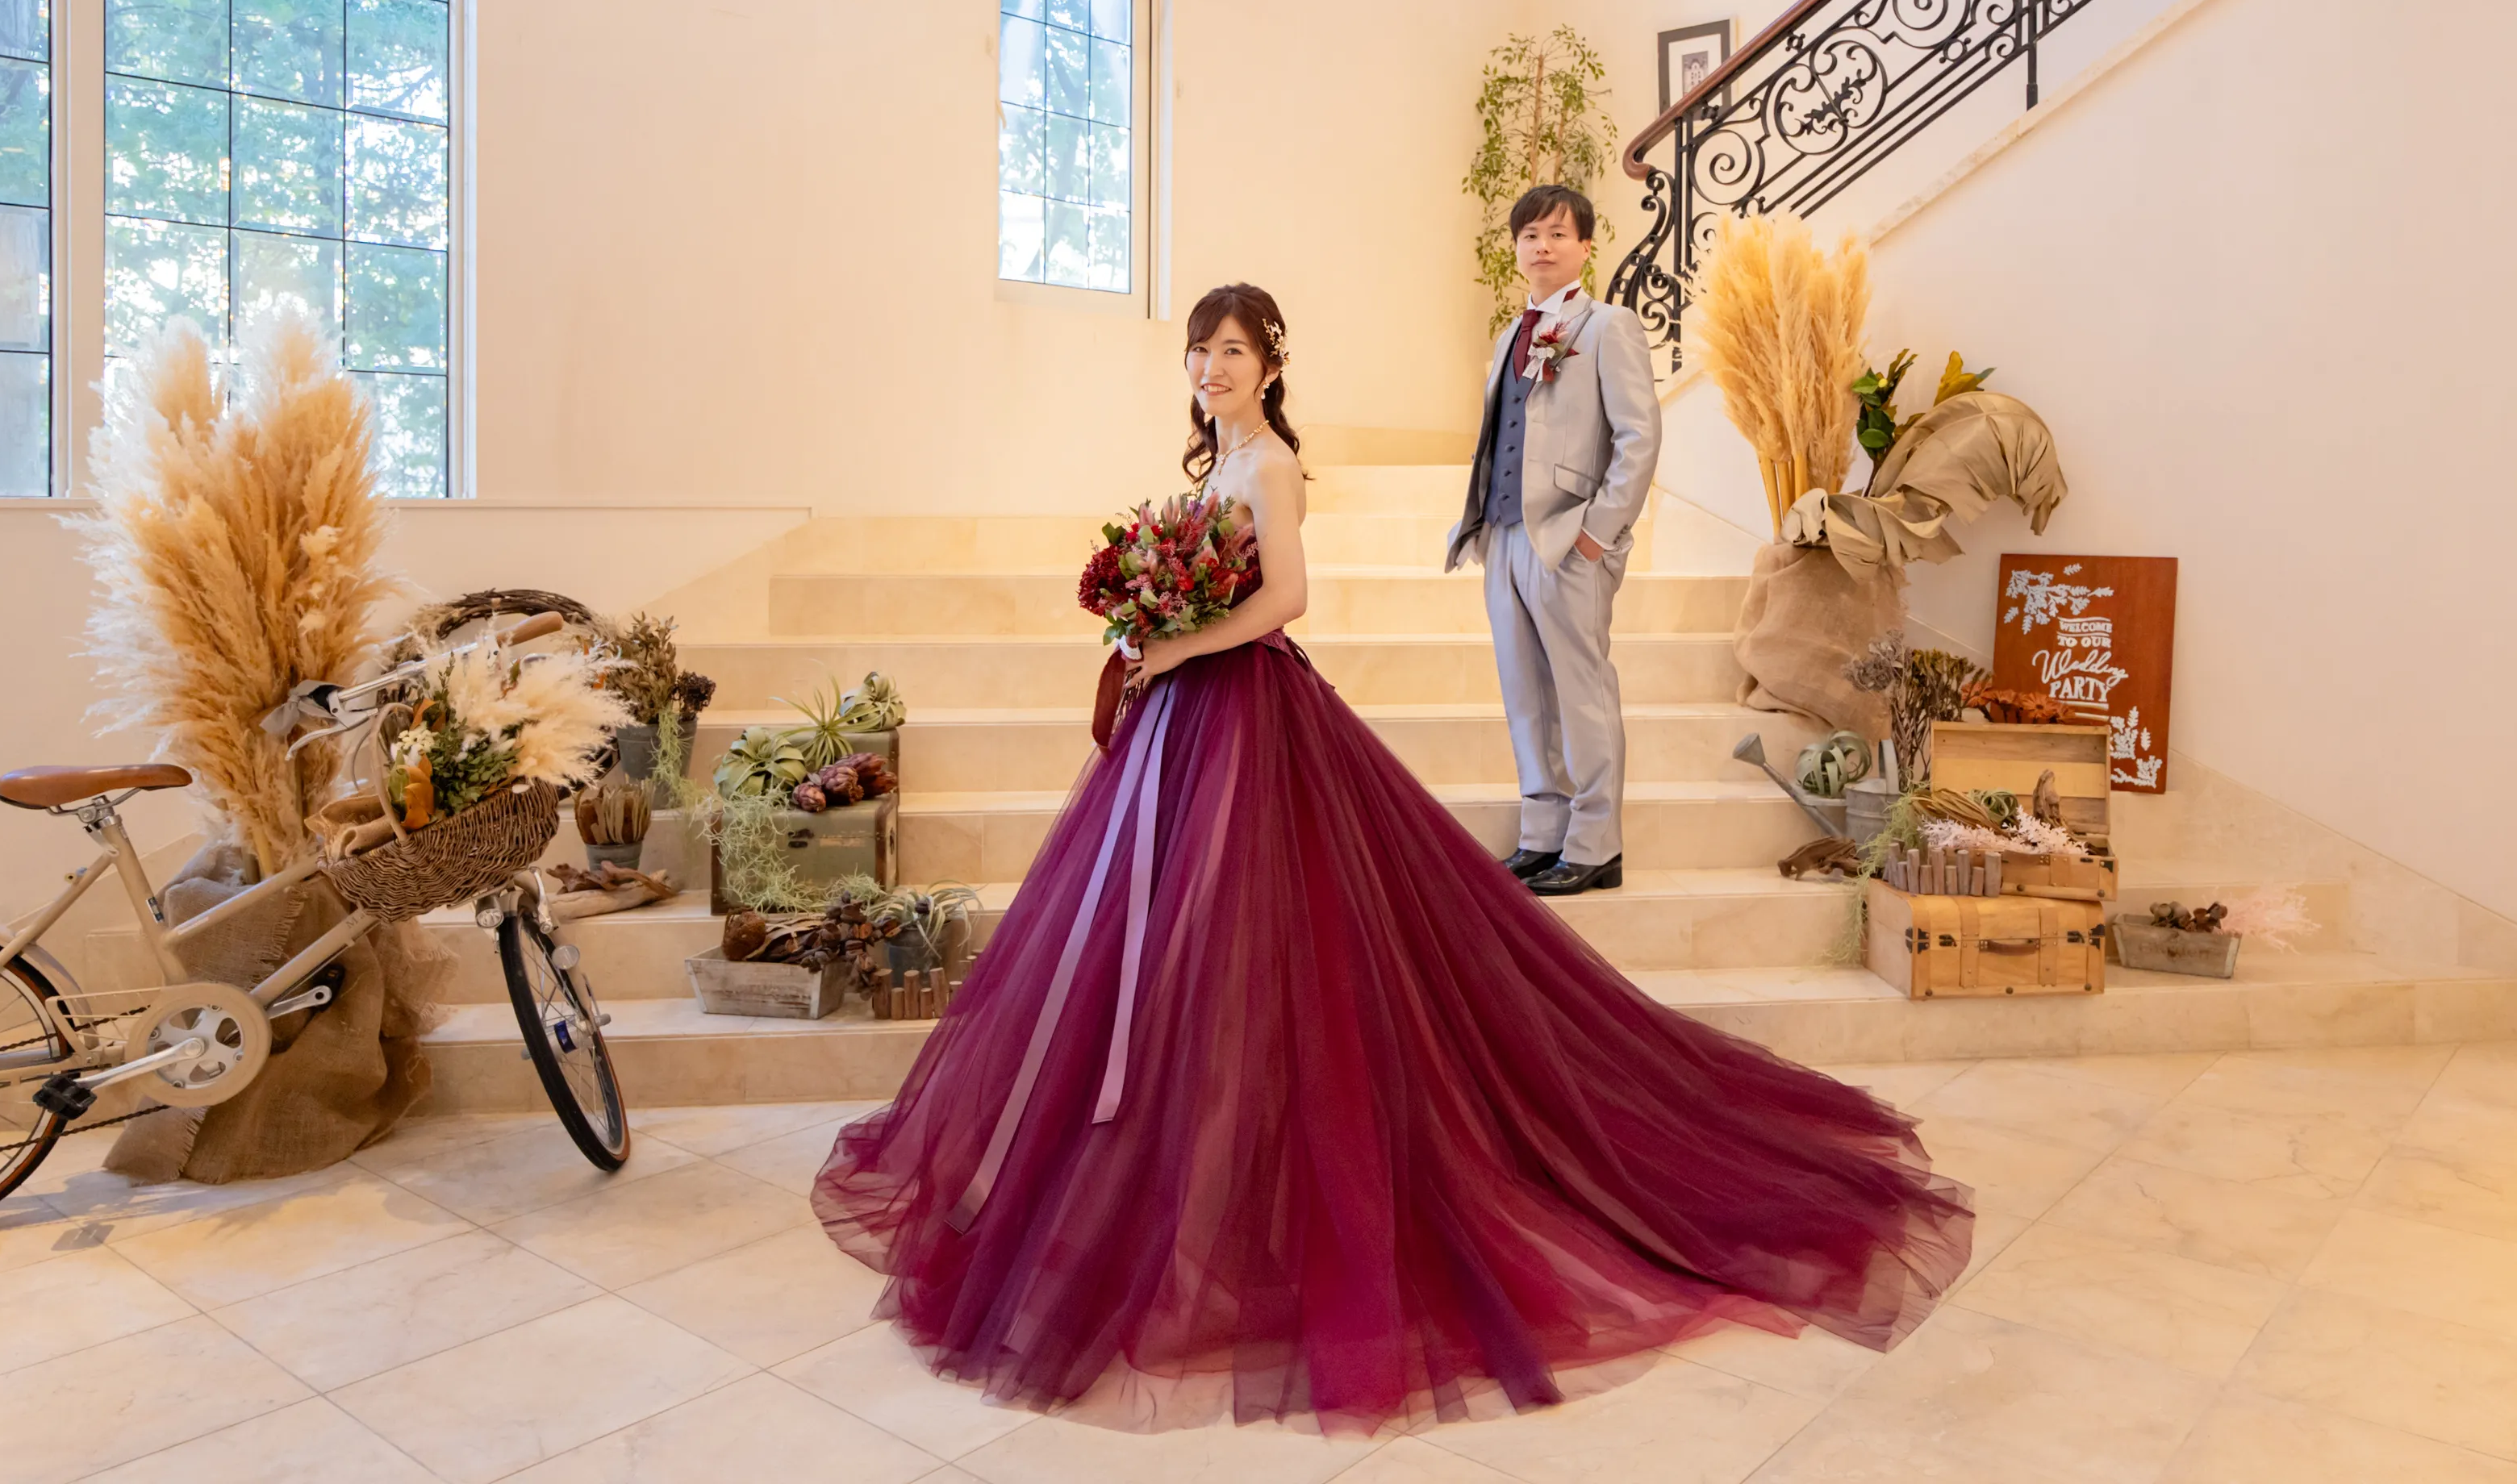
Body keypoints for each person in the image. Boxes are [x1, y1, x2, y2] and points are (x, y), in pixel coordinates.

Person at [813, 281, 1972, 1436]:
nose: (1214, 367)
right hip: (1189, 718)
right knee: (1169, 950)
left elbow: (1286, 598)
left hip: (1245, 720)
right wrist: (1149, 630)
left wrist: (1177, 646)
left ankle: (1245, 1191)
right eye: (1201, 351)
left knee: (1266, 948)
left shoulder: (1269, 464)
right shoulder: (1216, 465)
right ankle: (1189, 1174)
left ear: (1272, 366)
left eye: (1235, 351)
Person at [1444, 186, 1659, 896]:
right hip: (1505, 536)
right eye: (1531, 234)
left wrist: (1598, 534)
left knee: (1582, 694)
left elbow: (1638, 438)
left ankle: (1596, 844)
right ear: (1516, 248)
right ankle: (1543, 834)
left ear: (1585, 247)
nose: (1543, 245)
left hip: (1569, 538)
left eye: (1559, 234)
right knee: (1525, 693)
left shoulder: (1608, 327)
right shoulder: (1511, 332)